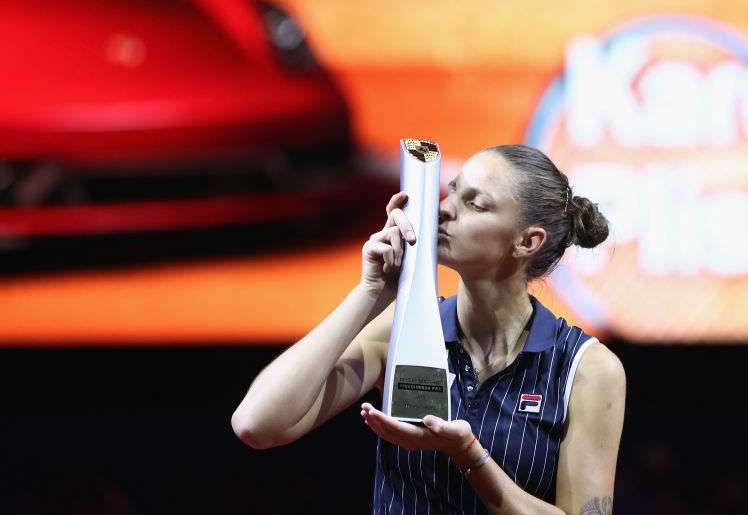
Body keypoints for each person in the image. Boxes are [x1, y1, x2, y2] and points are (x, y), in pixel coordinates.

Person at [231, 144, 625, 514]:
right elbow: (257, 424)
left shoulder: (586, 368)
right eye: (451, 191)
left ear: (527, 242)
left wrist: (468, 453)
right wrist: (370, 291)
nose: (442, 210)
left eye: (474, 204)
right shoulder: (401, 328)